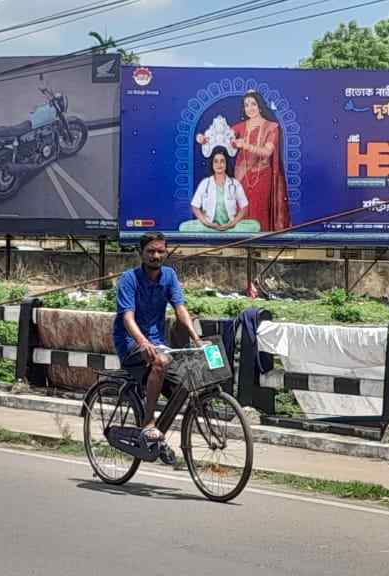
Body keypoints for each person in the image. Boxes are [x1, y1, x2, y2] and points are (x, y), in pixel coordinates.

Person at [111, 232, 203, 443]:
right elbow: (127, 317)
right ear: (141, 253)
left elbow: (180, 309)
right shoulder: (129, 279)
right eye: (150, 251)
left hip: (158, 343)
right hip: (130, 343)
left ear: (166, 252)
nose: (156, 256)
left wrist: (197, 339)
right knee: (160, 361)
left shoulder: (169, 276)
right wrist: (143, 342)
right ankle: (148, 422)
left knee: (183, 387)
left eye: (160, 251)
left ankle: (155, 442)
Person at [196, 90, 289, 231]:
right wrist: (203, 139)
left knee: (259, 210)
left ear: (260, 106)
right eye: (246, 105)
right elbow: (221, 136)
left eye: (253, 104)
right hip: (242, 177)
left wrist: (245, 145)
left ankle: (260, 242)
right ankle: (241, 241)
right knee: (241, 210)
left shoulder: (272, 127)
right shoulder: (240, 127)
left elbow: (267, 152)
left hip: (262, 177)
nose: (250, 108)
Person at [180, 146, 261, 233]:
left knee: (255, 225)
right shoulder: (205, 183)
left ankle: (223, 231)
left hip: (230, 226)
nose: (219, 165)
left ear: (226, 164)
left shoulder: (235, 183)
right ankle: (218, 231)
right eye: (216, 161)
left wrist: (233, 223)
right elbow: (195, 206)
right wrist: (207, 223)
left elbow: (244, 207)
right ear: (212, 164)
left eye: (222, 161)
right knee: (183, 227)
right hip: (210, 225)